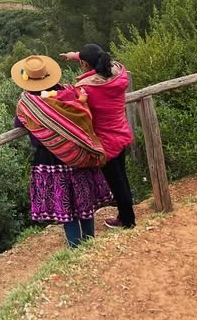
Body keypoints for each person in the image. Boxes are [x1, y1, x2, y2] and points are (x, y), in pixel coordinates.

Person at [12, 55, 113, 248]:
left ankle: (75, 247)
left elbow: (19, 122)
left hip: (50, 159)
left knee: (65, 204)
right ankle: (90, 240)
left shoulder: (28, 104)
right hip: (78, 154)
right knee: (83, 200)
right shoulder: (70, 92)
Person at [60, 44, 136, 229]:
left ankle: (127, 220)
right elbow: (95, 57)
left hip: (106, 142)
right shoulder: (119, 74)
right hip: (121, 132)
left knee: (116, 183)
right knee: (122, 177)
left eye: (82, 62)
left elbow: (70, 104)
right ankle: (126, 214)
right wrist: (76, 54)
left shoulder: (88, 89)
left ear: (86, 65)